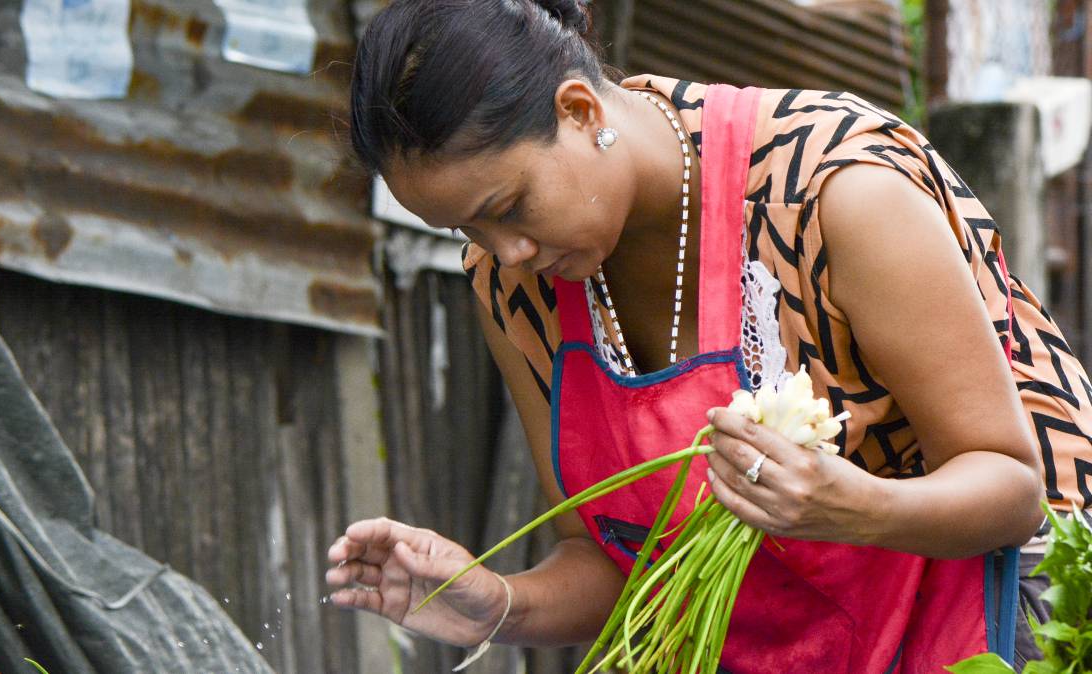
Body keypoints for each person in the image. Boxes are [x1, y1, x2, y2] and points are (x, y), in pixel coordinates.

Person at [325, 0, 1092, 670]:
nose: (505, 251)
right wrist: (494, 604)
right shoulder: (515, 288)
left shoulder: (831, 192)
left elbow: (1010, 486)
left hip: (1012, 601)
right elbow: (609, 560)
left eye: (510, 204)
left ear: (581, 112)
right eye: (467, 228)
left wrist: (854, 507)